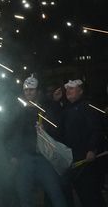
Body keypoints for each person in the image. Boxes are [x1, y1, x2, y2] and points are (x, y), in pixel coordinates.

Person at [6, 75, 68, 207]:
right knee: (24, 194)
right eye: (26, 90)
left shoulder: (45, 107)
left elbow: (58, 126)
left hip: (43, 158)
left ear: (37, 91)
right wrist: (12, 154)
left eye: (32, 90)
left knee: (55, 191)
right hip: (25, 158)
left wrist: (46, 127)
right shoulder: (18, 109)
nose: (28, 92)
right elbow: (11, 133)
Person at [60, 79, 104, 207]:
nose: (68, 91)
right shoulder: (67, 109)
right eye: (67, 89)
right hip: (72, 159)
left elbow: (96, 129)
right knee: (81, 195)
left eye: (72, 88)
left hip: (85, 159)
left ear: (80, 91)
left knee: (91, 195)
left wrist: (92, 149)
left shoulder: (86, 107)